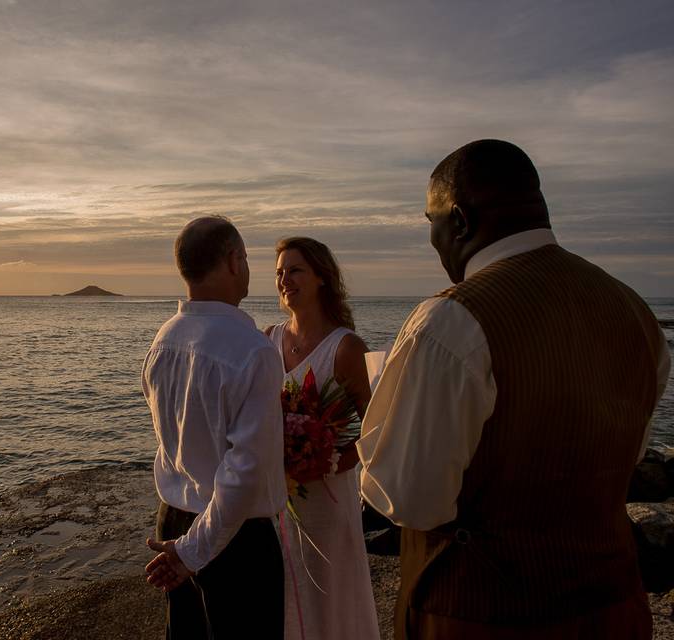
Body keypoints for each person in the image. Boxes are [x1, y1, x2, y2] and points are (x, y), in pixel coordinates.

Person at [357, 139, 671, 639]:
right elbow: (623, 455)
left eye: (430, 223)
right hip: (613, 604)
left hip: (485, 612)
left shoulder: (449, 322)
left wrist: (384, 416)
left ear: (458, 221)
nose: (433, 242)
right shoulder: (634, 310)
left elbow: (411, 499)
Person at [143, 216, 287, 639]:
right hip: (233, 539)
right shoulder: (253, 351)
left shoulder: (163, 340)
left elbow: (171, 445)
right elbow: (242, 476)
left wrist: (184, 547)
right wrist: (194, 552)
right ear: (234, 260)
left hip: (172, 520)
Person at [266, 237, 380, 640]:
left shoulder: (345, 348)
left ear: (321, 278)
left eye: (294, 270)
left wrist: (328, 462)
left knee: (330, 596)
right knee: (281, 598)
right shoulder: (268, 340)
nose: (284, 280)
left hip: (328, 500)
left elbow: (375, 431)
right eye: (279, 272)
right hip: (276, 501)